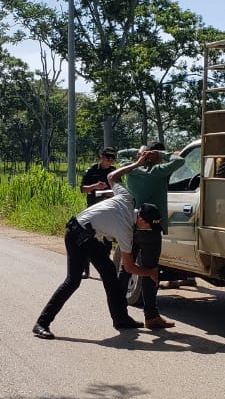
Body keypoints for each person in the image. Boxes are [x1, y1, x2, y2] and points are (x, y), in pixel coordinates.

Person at [32, 150, 161, 340]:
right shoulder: (125, 230)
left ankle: (121, 319)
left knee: (109, 273)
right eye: (149, 225)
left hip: (88, 235)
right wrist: (150, 272)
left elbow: (111, 176)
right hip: (76, 234)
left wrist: (137, 164)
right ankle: (41, 324)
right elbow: (130, 267)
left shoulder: (126, 198)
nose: (148, 229)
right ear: (141, 219)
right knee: (73, 281)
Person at [118, 141, 186, 330]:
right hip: (151, 229)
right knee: (150, 271)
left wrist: (140, 154)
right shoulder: (158, 172)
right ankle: (151, 316)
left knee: (126, 268)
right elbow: (180, 161)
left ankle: (118, 311)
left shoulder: (131, 170)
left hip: (131, 226)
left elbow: (121, 152)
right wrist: (159, 153)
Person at [78, 147, 118, 277]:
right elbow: (82, 189)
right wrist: (95, 186)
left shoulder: (114, 171)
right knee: (88, 238)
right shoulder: (92, 170)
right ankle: (85, 269)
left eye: (112, 158)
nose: (110, 161)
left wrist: (112, 191)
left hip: (108, 208)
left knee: (107, 241)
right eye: (108, 158)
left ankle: (104, 269)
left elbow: (119, 188)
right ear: (101, 157)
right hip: (93, 209)